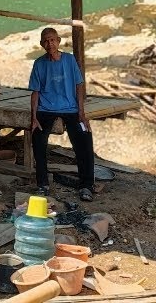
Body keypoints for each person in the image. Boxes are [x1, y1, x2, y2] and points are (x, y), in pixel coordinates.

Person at [28, 27, 95, 201]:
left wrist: (81, 112)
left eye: (52, 40)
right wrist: (34, 117)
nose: (49, 44)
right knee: (38, 139)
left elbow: (79, 85)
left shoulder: (69, 60)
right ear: (41, 44)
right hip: (45, 109)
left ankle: (87, 185)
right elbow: (35, 92)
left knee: (84, 137)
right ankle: (42, 184)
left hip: (70, 108)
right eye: (46, 41)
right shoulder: (39, 64)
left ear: (58, 41)